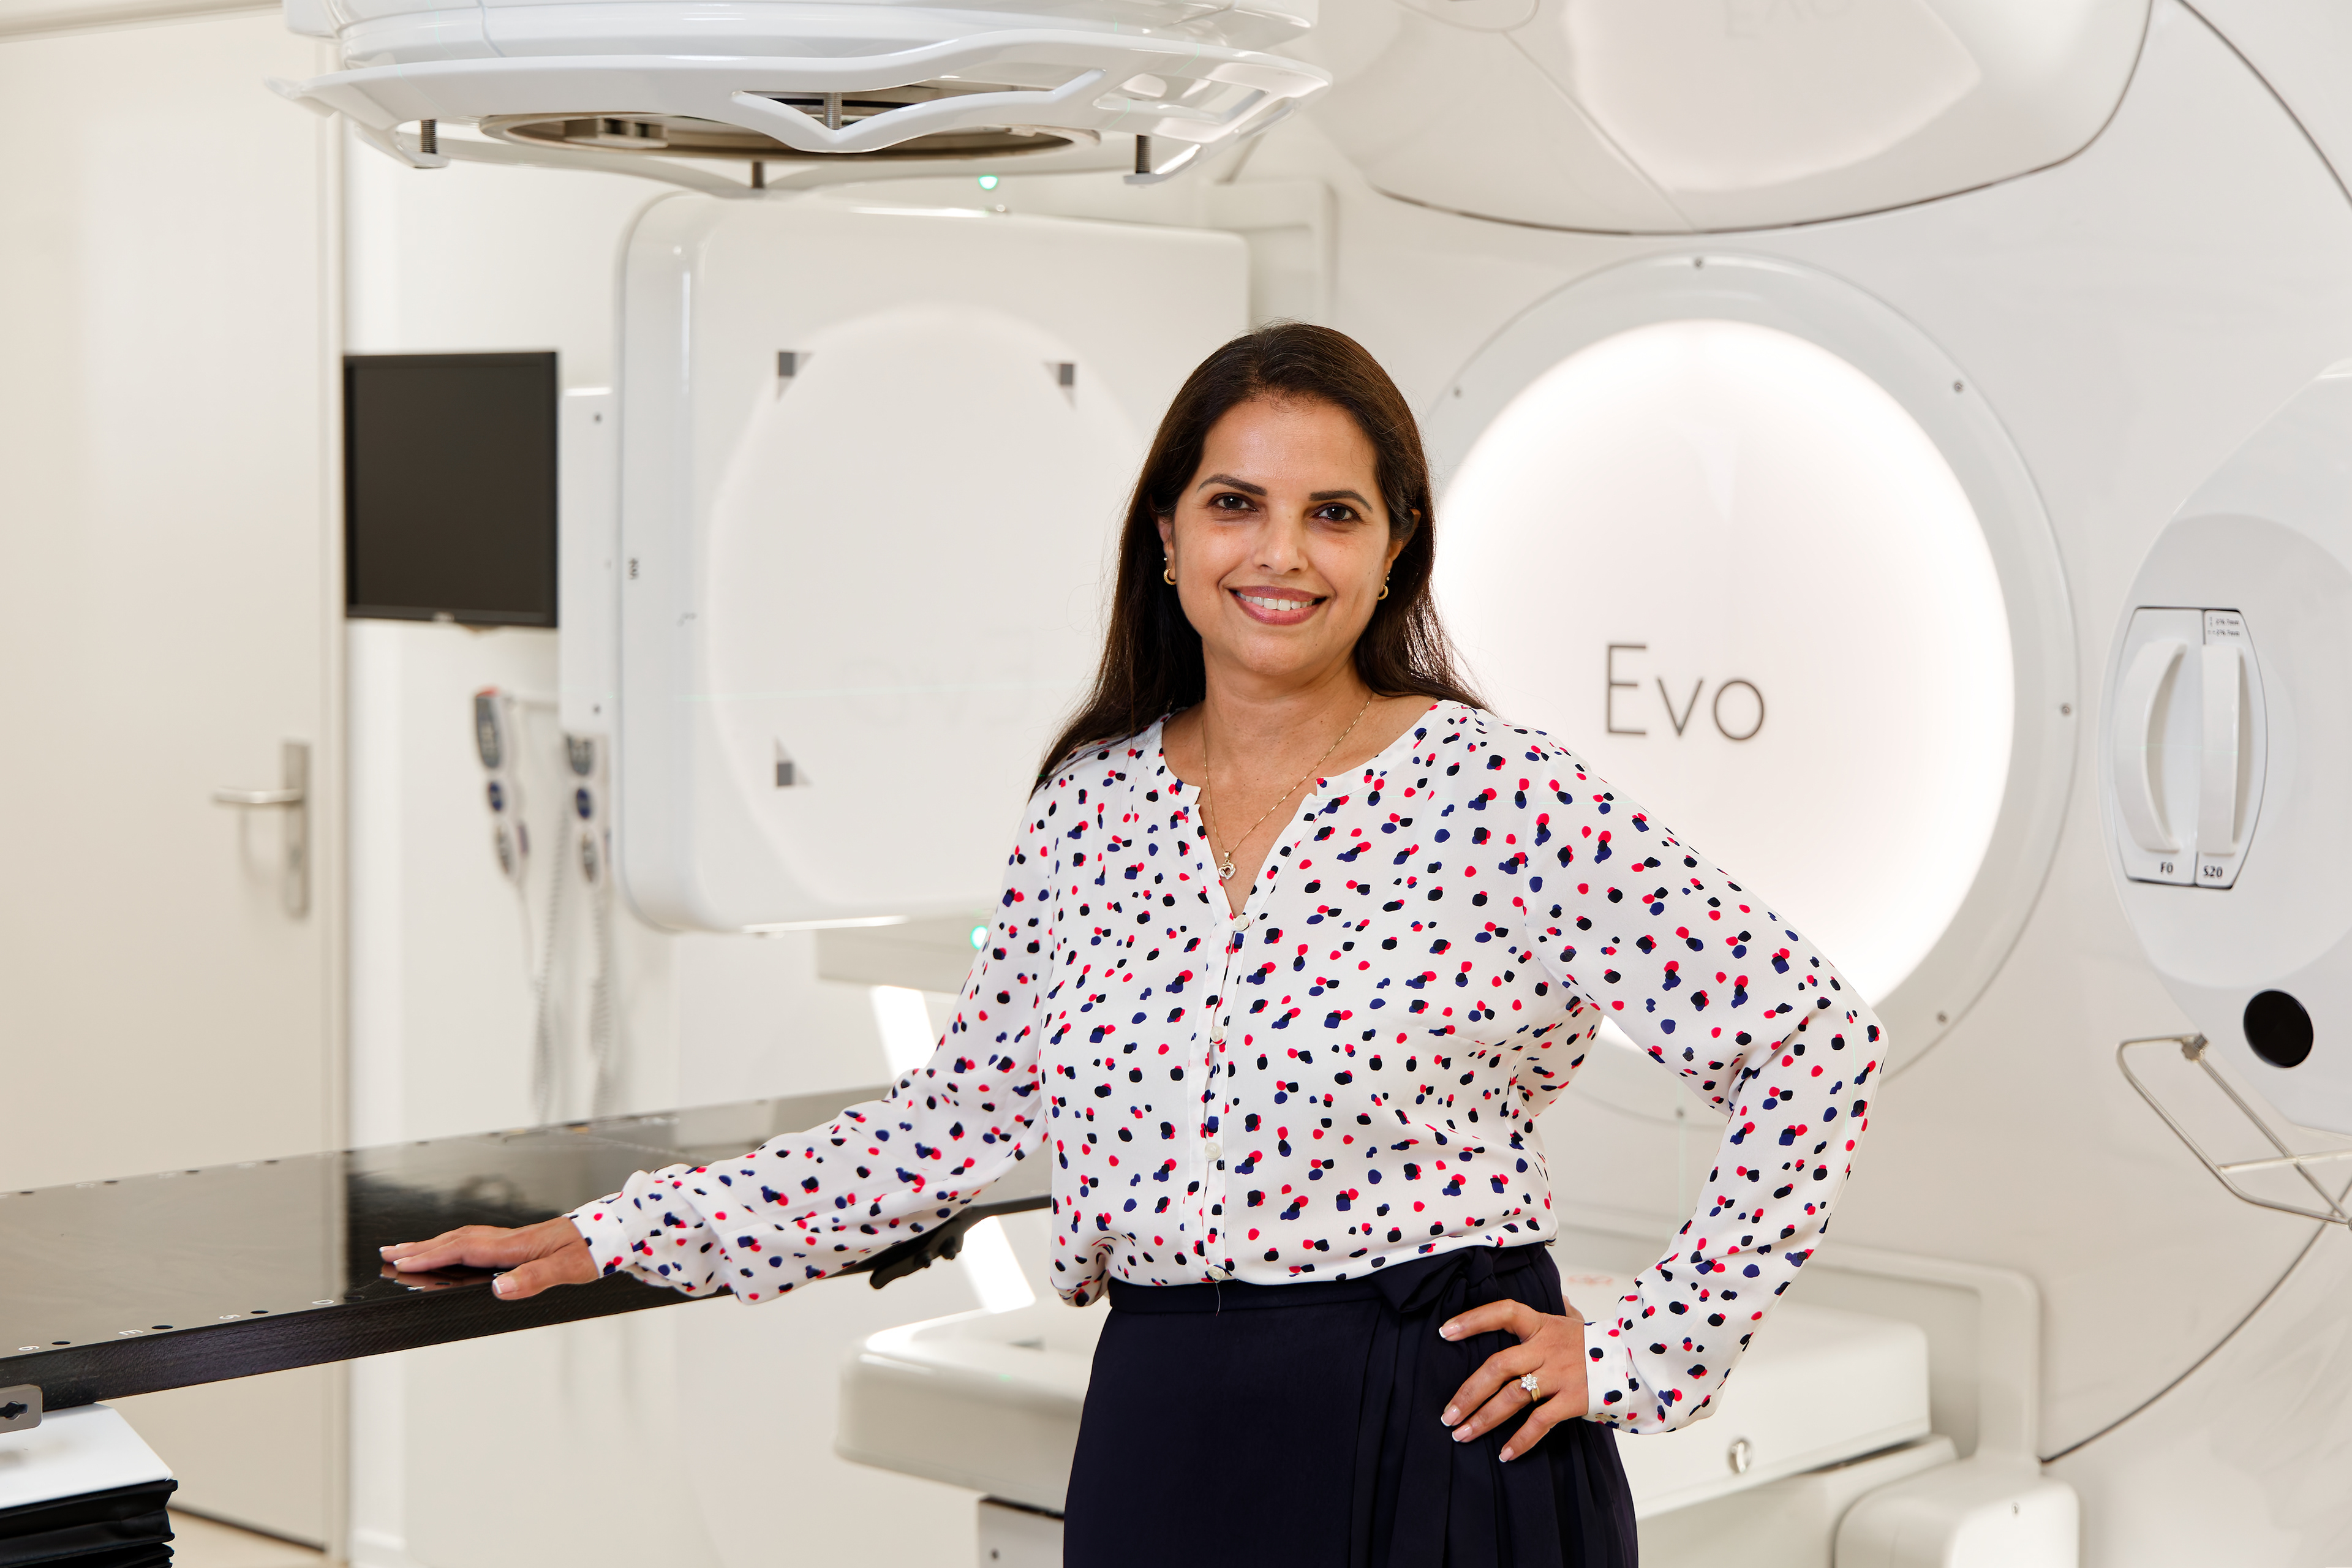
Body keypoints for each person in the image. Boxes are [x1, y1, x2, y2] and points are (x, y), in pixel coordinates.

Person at [382, 323, 1880, 1567]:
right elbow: (952, 1122)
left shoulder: (1499, 792)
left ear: (1395, 547)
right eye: (1235, 504)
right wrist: (626, 1229)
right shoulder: (1089, 809)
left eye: (1334, 512)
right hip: (1167, 1419)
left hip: (1439, 1417)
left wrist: (1643, 1343)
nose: (1280, 552)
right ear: (1167, 535)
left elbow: (1813, 1036)